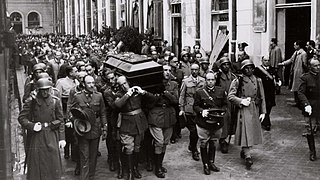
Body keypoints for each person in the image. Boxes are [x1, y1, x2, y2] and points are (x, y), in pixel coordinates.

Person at [18, 78, 66, 180]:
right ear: (38, 90)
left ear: (50, 89)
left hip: (51, 134)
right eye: (42, 90)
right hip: (37, 135)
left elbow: (60, 120)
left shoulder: (55, 101)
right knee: (37, 164)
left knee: (53, 163)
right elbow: (22, 118)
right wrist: (32, 125)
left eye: (47, 89)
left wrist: (62, 138)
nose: (44, 92)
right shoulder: (32, 101)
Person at [228, 59, 266, 169]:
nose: (249, 70)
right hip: (244, 108)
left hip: (255, 108)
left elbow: (262, 96)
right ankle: (248, 156)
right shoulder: (238, 81)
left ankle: (245, 150)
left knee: (251, 132)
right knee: (246, 131)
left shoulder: (258, 80)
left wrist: (263, 112)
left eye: (251, 68)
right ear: (243, 69)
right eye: (246, 68)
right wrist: (241, 101)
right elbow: (230, 96)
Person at [114, 76, 154, 180]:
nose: (124, 86)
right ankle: (130, 172)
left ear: (128, 82)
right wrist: (128, 94)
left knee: (137, 147)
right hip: (127, 124)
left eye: (125, 83)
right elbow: (118, 105)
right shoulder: (119, 94)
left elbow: (153, 99)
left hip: (139, 122)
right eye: (121, 84)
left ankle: (135, 168)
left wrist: (143, 92)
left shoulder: (137, 91)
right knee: (128, 148)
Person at [71, 75, 107, 180]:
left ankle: (91, 177)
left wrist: (105, 127)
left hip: (95, 128)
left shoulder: (99, 96)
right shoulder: (78, 96)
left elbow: (103, 112)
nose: (91, 85)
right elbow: (72, 112)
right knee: (84, 156)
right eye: (89, 83)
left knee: (93, 156)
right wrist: (76, 123)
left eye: (93, 83)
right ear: (84, 84)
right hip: (83, 129)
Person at [148, 65, 178, 178]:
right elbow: (149, 100)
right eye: (165, 70)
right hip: (156, 114)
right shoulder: (154, 84)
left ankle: (159, 164)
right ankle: (157, 167)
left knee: (165, 142)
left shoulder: (173, 84)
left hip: (169, 115)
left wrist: (165, 92)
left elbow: (175, 100)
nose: (167, 72)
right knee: (159, 142)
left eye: (169, 70)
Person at [194, 72, 227, 175]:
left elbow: (225, 105)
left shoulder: (221, 91)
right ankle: (205, 164)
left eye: (212, 80)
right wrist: (201, 111)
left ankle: (211, 162)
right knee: (204, 142)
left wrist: (223, 111)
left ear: (215, 80)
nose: (210, 82)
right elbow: (195, 106)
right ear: (205, 80)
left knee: (213, 142)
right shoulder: (200, 92)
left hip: (216, 122)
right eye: (208, 80)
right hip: (204, 122)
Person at [179, 64, 206, 161]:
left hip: (199, 108)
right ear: (190, 70)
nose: (194, 71)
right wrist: (181, 109)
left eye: (196, 70)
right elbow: (182, 96)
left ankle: (192, 145)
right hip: (189, 109)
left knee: (197, 130)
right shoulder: (186, 81)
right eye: (193, 70)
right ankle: (194, 150)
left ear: (199, 70)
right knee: (193, 130)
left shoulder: (203, 81)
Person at [102, 69, 124, 178]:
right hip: (112, 117)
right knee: (111, 139)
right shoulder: (106, 91)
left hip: (122, 116)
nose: (111, 81)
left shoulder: (121, 87)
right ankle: (112, 159)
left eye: (113, 78)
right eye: (109, 79)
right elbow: (113, 106)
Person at [297, 58, 320, 161]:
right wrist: (306, 104)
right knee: (310, 129)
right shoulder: (305, 78)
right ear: (310, 67)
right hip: (311, 107)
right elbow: (300, 92)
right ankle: (312, 152)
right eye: (315, 66)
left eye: (319, 65)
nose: (318, 67)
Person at [55, 65, 79, 159]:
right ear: (70, 73)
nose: (77, 73)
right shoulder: (61, 82)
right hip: (65, 109)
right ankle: (66, 152)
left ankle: (74, 154)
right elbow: (58, 98)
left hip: (74, 110)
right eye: (75, 71)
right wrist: (61, 114)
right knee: (67, 133)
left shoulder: (76, 82)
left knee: (74, 133)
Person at [215, 57, 237, 153]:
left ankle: (227, 138)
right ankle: (222, 140)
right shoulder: (218, 77)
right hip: (222, 103)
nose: (226, 66)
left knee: (232, 121)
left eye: (228, 64)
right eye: (224, 64)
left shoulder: (233, 77)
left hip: (232, 102)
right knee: (224, 121)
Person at [254, 56, 281, 131]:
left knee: (268, 107)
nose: (267, 62)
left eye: (268, 60)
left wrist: (278, 82)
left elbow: (276, 77)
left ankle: (264, 120)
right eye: (265, 60)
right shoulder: (257, 70)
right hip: (262, 92)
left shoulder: (272, 69)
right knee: (263, 106)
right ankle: (266, 123)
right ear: (262, 61)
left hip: (270, 92)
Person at [279, 40, 308, 108]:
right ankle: (297, 102)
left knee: (299, 88)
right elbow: (291, 60)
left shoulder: (303, 54)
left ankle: (300, 103)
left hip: (300, 72)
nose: (294, 46)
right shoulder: (296, 53)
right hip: (295, 72)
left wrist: (304, 73)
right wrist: (283, 63)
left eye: (295, 45)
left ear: (298, 46)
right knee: (295, 88)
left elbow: (305, 64)